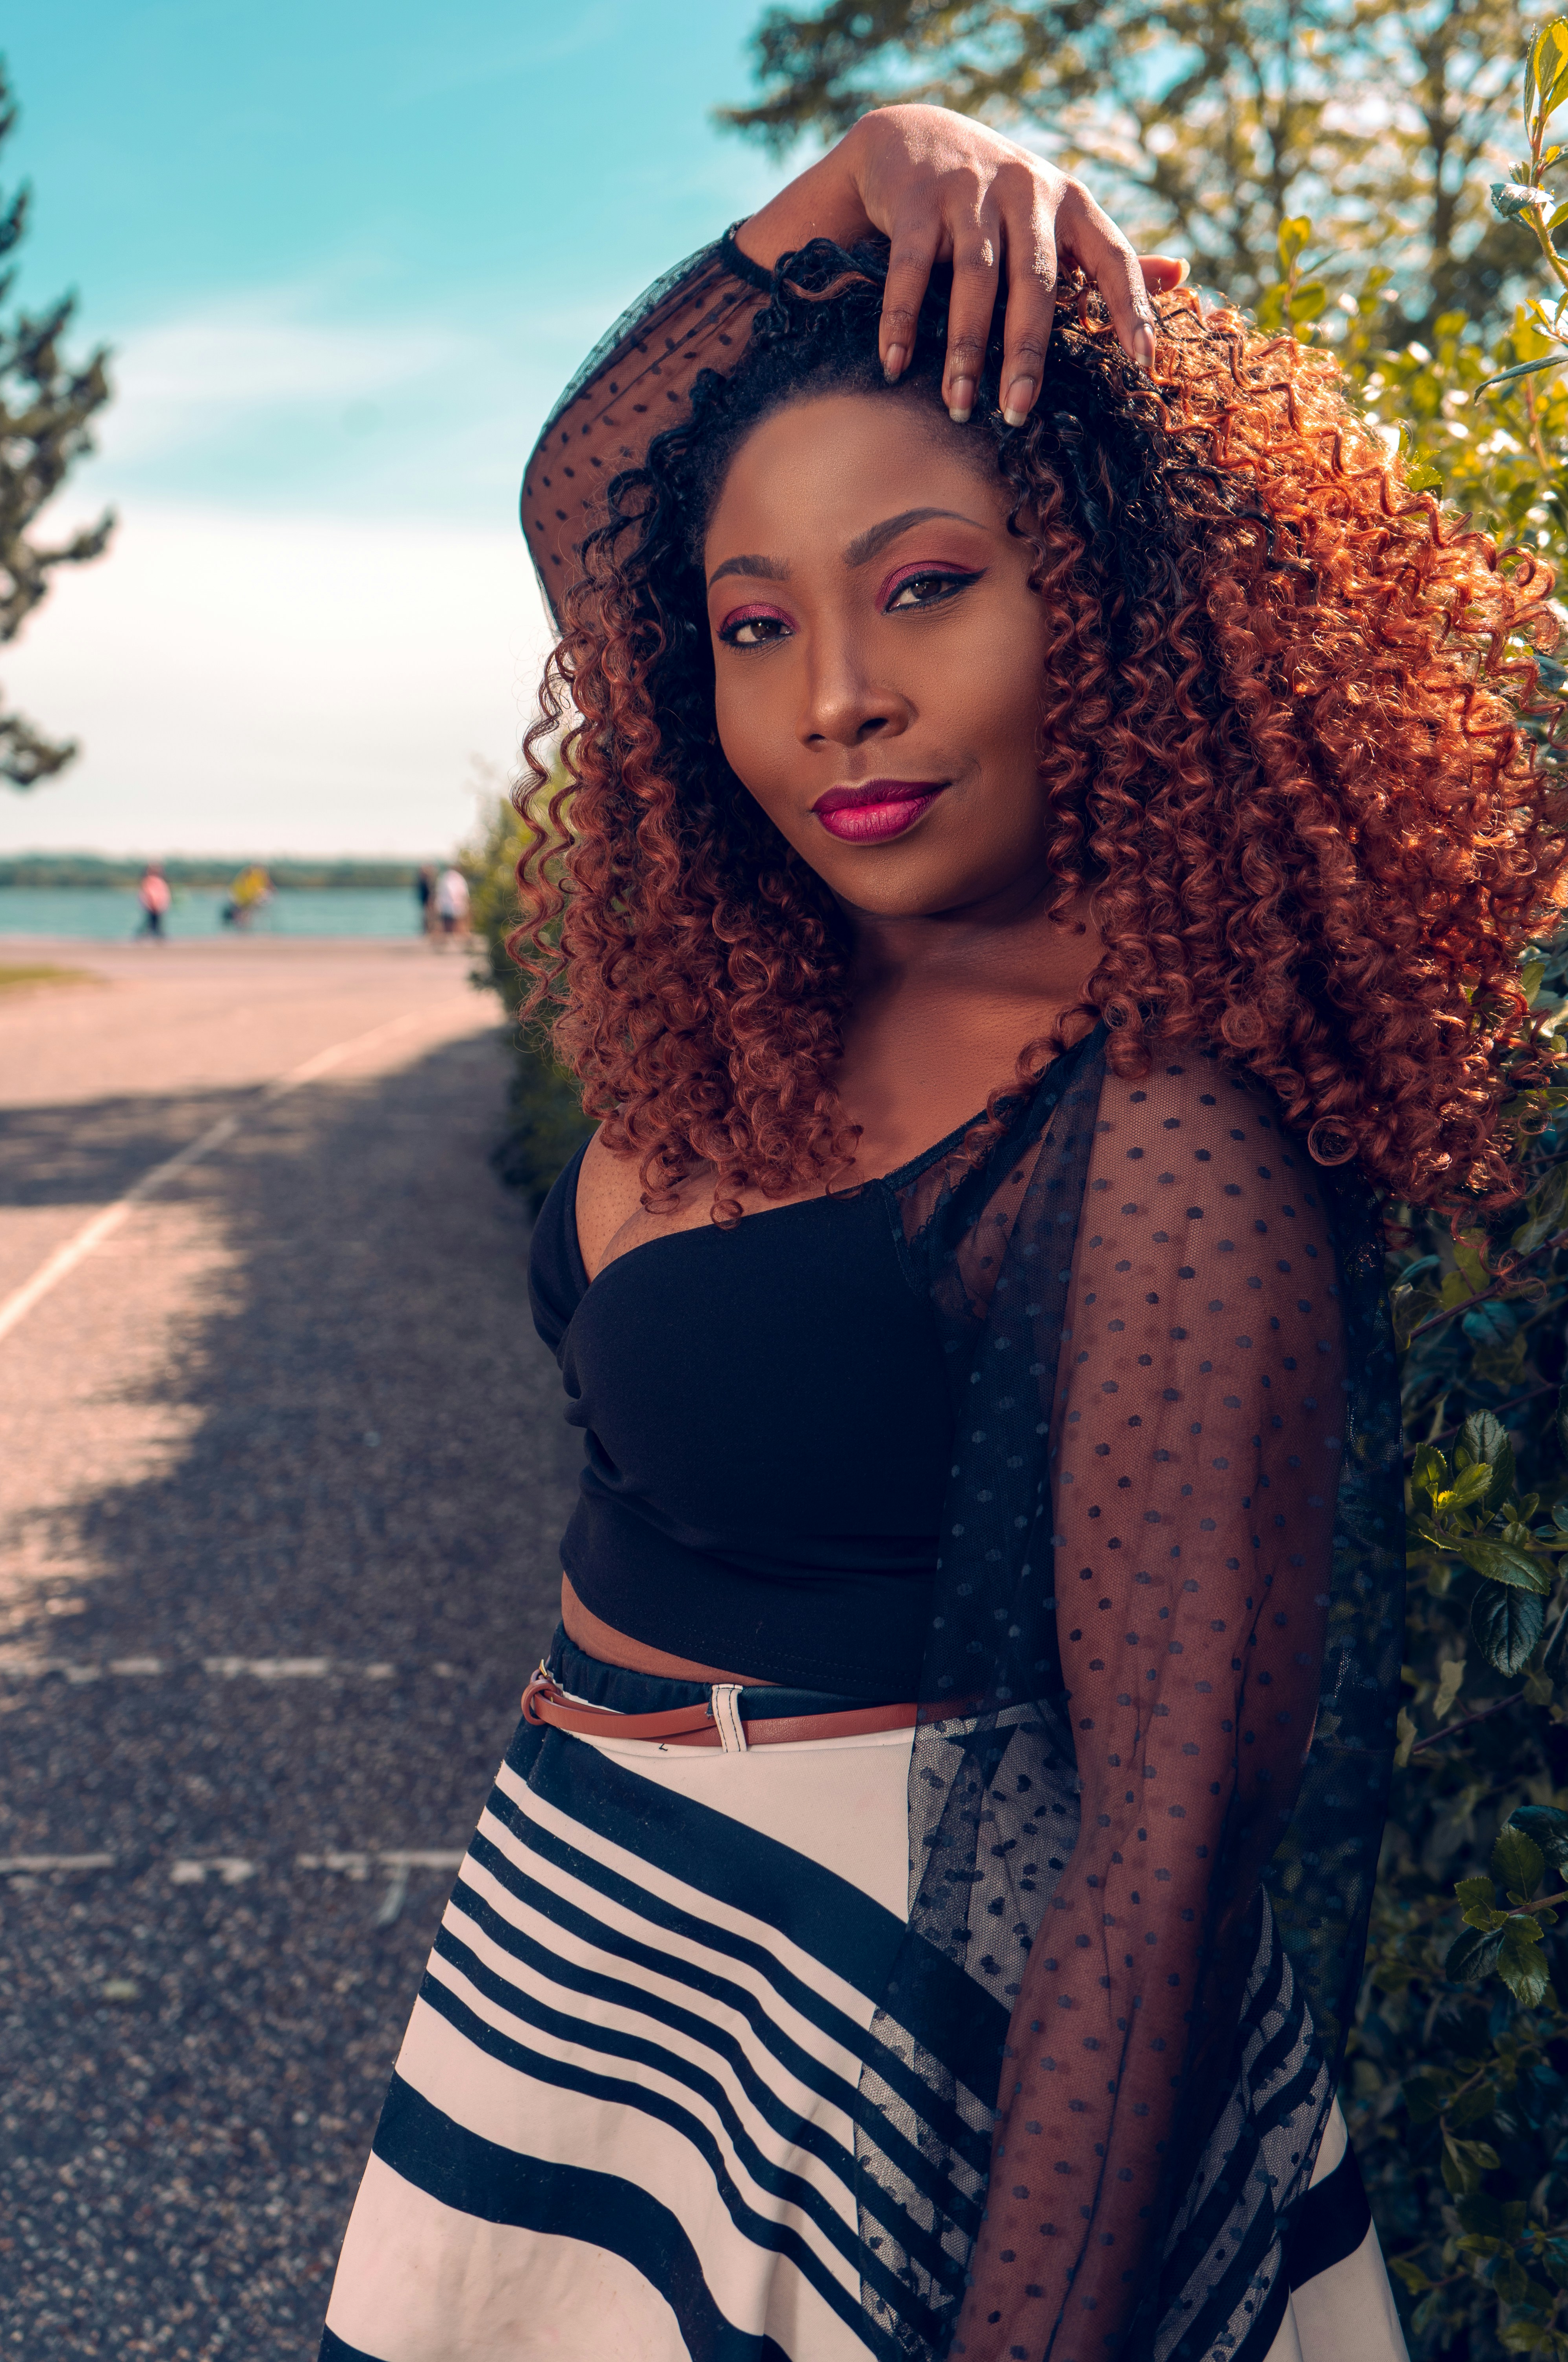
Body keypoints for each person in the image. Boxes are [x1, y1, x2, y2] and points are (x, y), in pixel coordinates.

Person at [320, 108, 1561, 2362]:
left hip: (910, 2086)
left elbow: (1154, 1871)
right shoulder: (785, 974)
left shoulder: (1157, 1124)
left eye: (925, 584)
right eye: (754, 624)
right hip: (595, 1953)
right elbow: (595, 491)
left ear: (1105, 597)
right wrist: (863, 171)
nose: (835, 702)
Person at [433, 861, 470, 944]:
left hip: (447, 906)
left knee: (446, 925)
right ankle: (462, 940)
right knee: (457, 924)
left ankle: (442, 941)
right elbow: (463, 893)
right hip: (456, 906)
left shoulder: (445, 878)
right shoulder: (459, 878)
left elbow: (440, 893)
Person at [135, 864, 171, 939]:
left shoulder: (159, 881)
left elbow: (163, 895)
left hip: (157, 906)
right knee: (151, 922)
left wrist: (161, 905)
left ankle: (157, 936)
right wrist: (150, 904)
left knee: (155, 922)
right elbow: (147, 894)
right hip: (152, 906)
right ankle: (153, 935)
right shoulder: (149, 881)